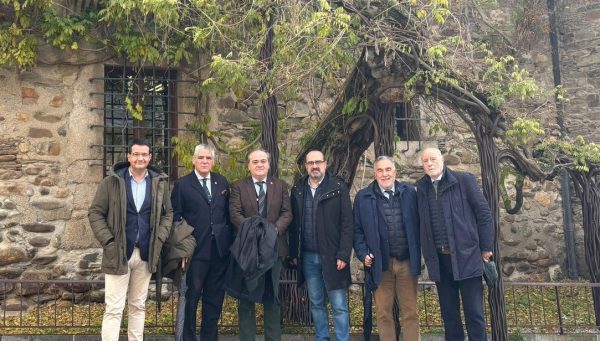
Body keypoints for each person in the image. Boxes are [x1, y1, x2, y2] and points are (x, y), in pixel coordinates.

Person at [88, 138, 174, 341]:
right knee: (114, 307)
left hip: (146, 253)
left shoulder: (158, 184)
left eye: (144, 154)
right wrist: (108, 242)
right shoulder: (111, 182)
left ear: (150, 157)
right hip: (118, 253)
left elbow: (168, 214)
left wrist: (160, 238)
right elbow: (95, 213)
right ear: (128, 157)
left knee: (138, 305)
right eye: (136, 154)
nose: (140, 158)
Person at [416, 147, 493, 341]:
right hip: (440, 262)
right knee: (450, 316)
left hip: (467, 257)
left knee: (474, 315)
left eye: (433, 159)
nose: (429, 163)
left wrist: (486, 248)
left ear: (442, 160)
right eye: (425, 161)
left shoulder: (464, 181)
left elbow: (483, 214)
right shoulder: (421, 188)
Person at [353, 156, 421, 341]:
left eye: (388, 169)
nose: (385, 174)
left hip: (406, 261)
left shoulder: (409, 193)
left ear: (395, 171)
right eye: (380, 170)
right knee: (383, 314)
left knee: (410, 312)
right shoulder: (363, 197)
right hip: (380, 265)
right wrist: (362, 253)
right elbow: (357, 231)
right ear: (375, 173)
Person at [289, 150, 353, 341]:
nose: (314, 166)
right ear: (306, 166)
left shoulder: (338, 187)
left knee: (339, 305)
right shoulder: (298, 190)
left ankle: (342, 339)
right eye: (310, 163)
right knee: (316, 303)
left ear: (325, 164)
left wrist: (343, 254)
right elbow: (294, 226)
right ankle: (322, 338)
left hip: (333, 257)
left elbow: (347, 224)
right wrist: (294, 253)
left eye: (318, 162)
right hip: (308, 257)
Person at [229, 149, 292, 341]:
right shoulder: (239, 187)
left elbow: (287, 213)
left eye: (263, 161)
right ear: (248, 166)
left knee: (272, 298)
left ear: (269, 164)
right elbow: (235, 214)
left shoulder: (280, 186)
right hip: (247, 251)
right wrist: (255, 232)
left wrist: (271, 232)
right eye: (255, 161)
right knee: (246, 299)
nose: (259, 164)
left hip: (274, 250)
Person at [171, 144, 232, 341]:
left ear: (213, 161)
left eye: (208, 158)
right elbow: (176, 218)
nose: (205, 161)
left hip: (219, 252)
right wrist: (181, 251)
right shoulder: (182, 185)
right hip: (195, 252)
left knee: (214, 300)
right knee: (192, 298)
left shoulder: (222, 183)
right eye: (201, 158)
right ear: (193, 160)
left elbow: (227, 216)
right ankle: (188, 337)